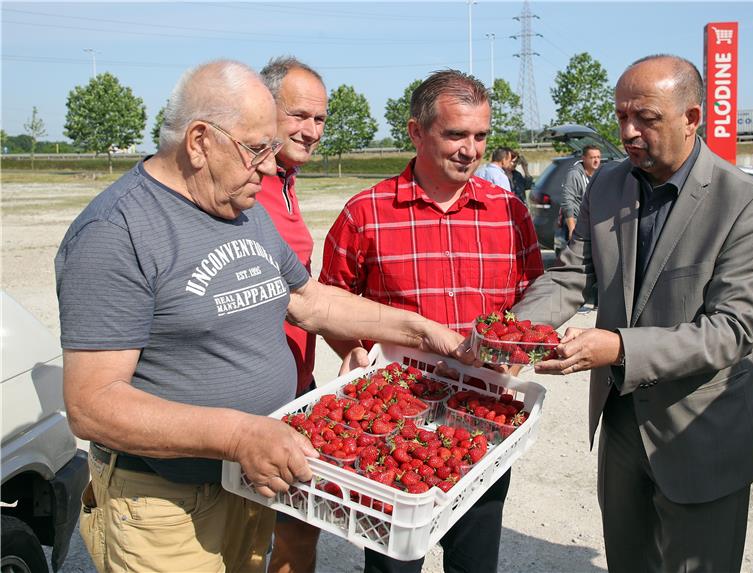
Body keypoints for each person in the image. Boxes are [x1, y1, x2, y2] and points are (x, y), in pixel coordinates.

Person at [55, 60, 465, 573]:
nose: (271, 167)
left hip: (251, 481)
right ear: (200, 141)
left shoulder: (242, 210)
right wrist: (239, 435)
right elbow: (92, 405)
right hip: (167, 504)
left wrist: (419, 328)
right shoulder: (116, 233)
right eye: (257, 149)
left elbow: (310, 301)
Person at [513, 54, 753, 572]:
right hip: (621, 426)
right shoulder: (607, 186)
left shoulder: (745, 202)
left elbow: (733, 330)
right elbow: (572, 275)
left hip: (701, 429)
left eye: (647, 119)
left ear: (692, 118)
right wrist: (515, 332)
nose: (629, 132)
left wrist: (616, 348)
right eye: (621, 117)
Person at [320, 70, 543, 573]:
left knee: (475, 558)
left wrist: (524, 349)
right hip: (392, 418)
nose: (471, 149)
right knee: (394, 564)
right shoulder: (366, 214)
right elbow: (329, 301)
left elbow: (534, 300)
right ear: (416, 132)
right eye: (456, 134)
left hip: (483, 414)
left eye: (481, 136)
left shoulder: (509, 212)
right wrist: (350, 349)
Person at [257, 56, 327, 573]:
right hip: (253, 400)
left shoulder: (285, 178)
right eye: (298, 116)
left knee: (299, 534)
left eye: (319, 120)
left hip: (295, 388)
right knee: (252, 537)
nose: (311, 131)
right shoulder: (243, 186)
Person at [557, 144, 601, 253]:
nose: (596, 161)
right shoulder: (574, 174)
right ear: (584, 158)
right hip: (577, 223)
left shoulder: (599, 174)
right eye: (592, 158)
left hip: (591, 223)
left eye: (598, 157)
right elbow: (567, 201)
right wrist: (572, 229)